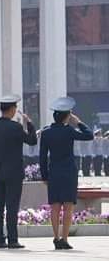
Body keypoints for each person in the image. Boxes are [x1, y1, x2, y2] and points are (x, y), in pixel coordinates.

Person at [39, 97, 94, 250]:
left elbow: (42, 157)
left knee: (55, 206)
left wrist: (44, 175)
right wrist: (79, 122)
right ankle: (64, 238)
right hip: (69, 172)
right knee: (68, 206)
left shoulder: (46, 133)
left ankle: (56, 238)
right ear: (66, 116)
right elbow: (89, 135)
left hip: (54, 172)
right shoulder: (69, 130)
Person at [0, 95, 37, 249]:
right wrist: (30, 124)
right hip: (14, 173)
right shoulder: (16, 127)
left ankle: (0, 240)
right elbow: (32, 140)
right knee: (12, 207)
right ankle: (13, 240)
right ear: (13, 109)